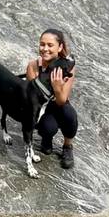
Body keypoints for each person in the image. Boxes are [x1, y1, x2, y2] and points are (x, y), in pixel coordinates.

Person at [26, 29, 78, 169]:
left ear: (60, 47)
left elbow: (61, 100)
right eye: (42, 44)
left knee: (69, 113)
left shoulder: (67, 67)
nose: (45, 49)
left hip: (58, 103)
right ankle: (46, 139)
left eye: (50, 45)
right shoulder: (33, 66)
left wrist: (56, 87)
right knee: (48, 127)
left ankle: (67, 147)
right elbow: (33, 100)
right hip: (41, 107)